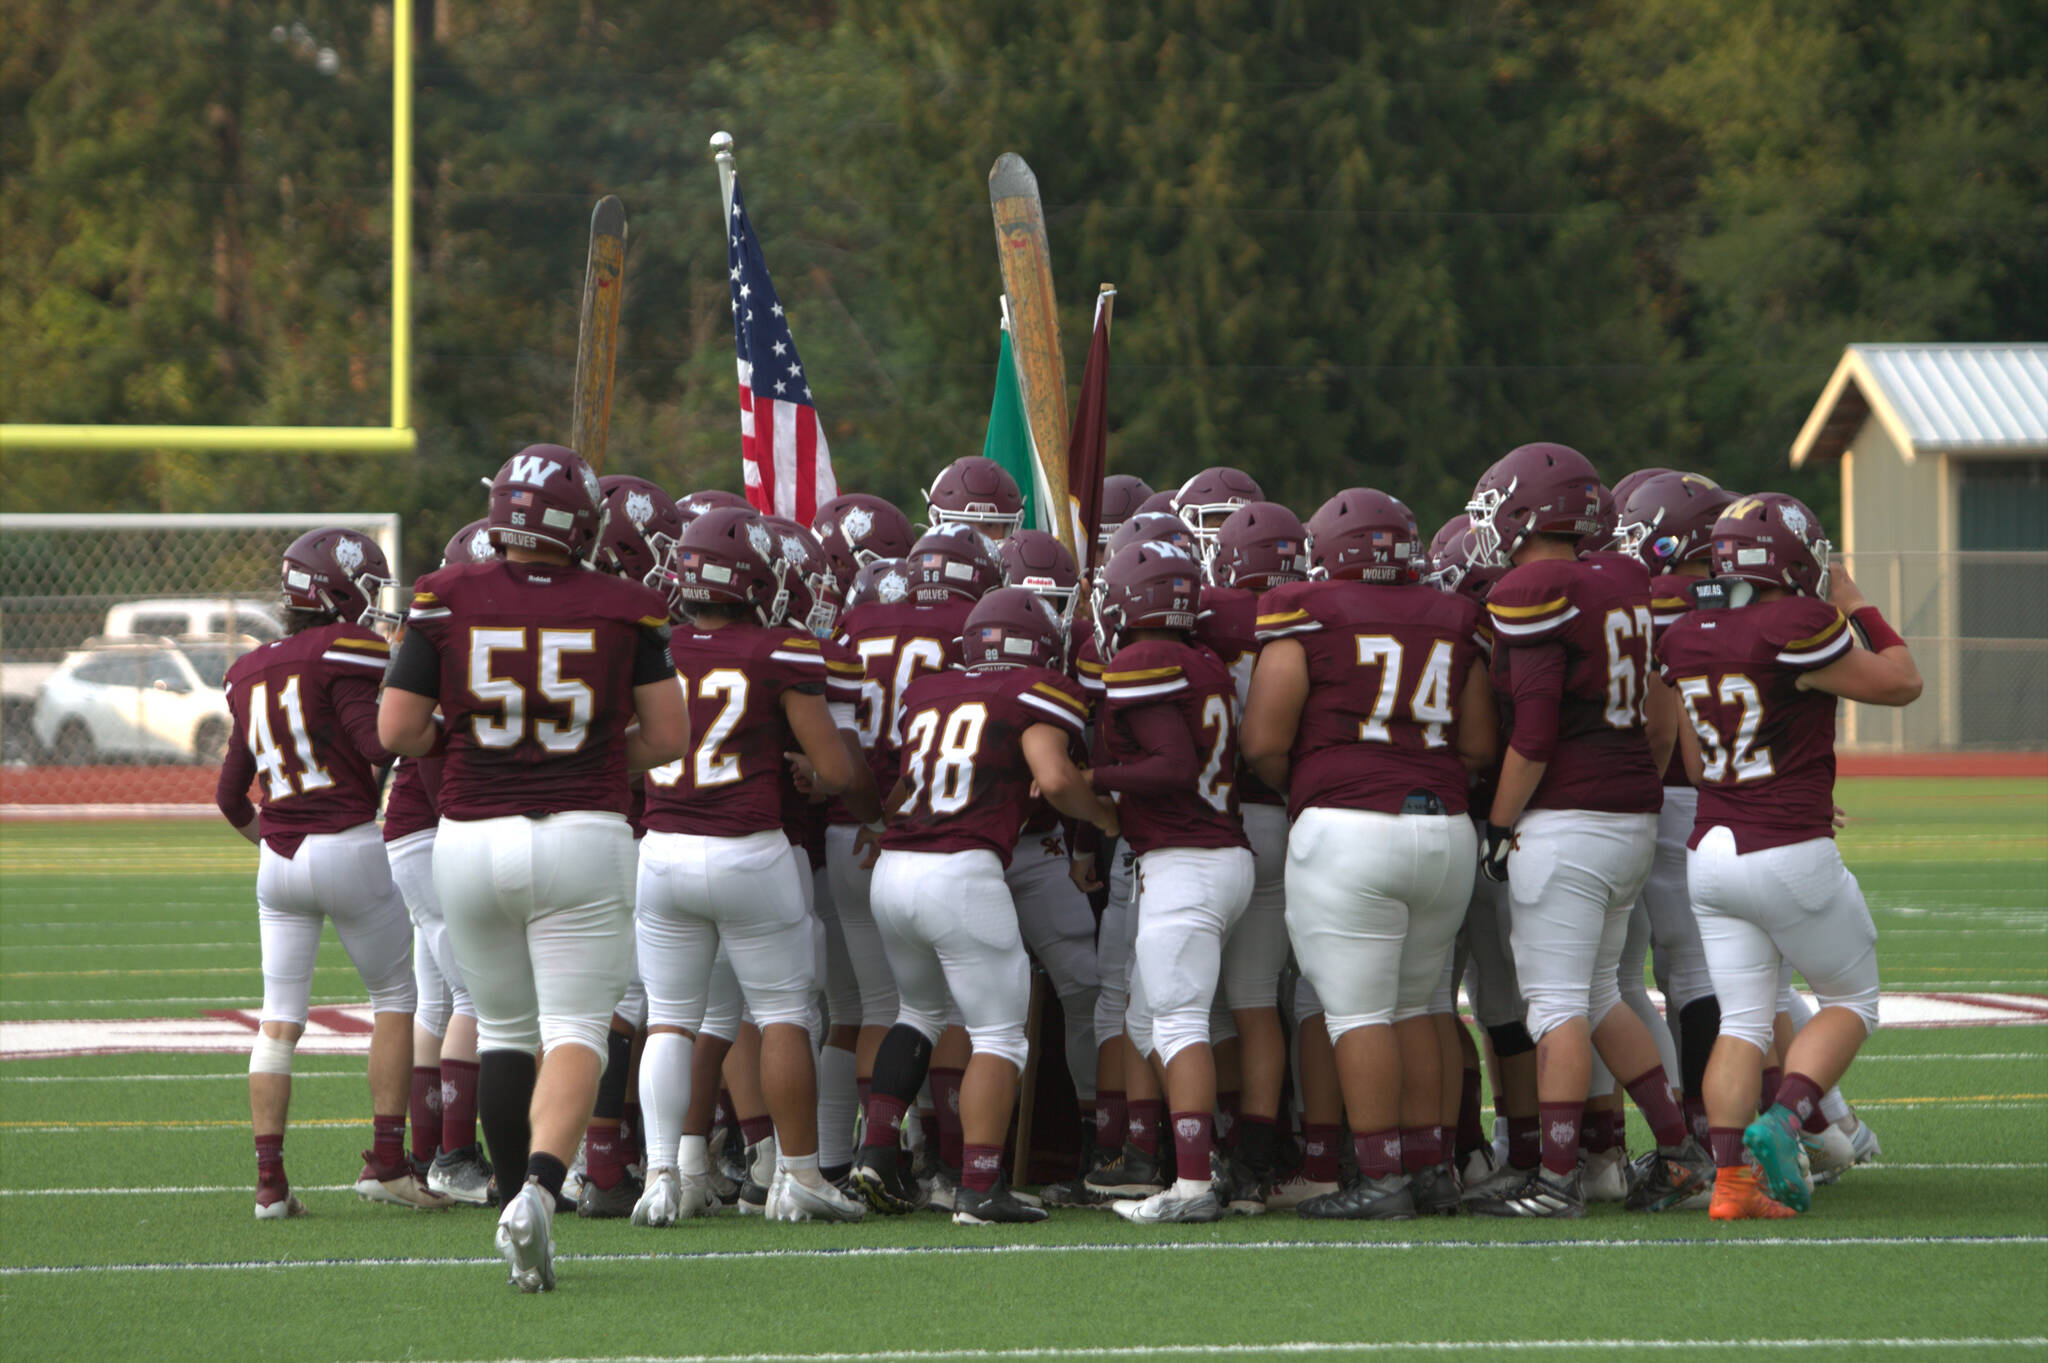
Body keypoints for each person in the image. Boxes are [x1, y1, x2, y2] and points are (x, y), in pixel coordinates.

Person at [378, 444, 689, 1292]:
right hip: (583, 833)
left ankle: (512, 1189)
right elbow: (667, 738)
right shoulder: (630, 606)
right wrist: (587, 760)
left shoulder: (444, 597)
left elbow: (399, 730)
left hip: (469, 836)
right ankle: (541, 1195)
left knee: (505, 1028)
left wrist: (473, 743)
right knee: (579, 1031)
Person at [1459, 442, 1713, 1220]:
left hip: (1568, 815)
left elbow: (1533, 734)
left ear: (1529, 510)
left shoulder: (1535, 586)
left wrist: (1499, 826)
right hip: (1630, 808)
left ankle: (1558, 1177)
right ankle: (1679, 1149)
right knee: (1601, 991)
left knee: (1556, 1003)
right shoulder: (1624, 577)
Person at [1656, 493, 1920, 1218]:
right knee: (1851, 998)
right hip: (1785, 846)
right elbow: (1902, 680)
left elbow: (1698, 762)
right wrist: (1860, 605)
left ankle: (1732, 1183)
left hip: (1710, 850)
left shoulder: (1687, 633)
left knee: (1742, 1018)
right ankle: (1787, 1115)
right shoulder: (1800, 621)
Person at [1243, 489, 1496, 1219]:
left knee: (1357, 1013)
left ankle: (1380, 1173)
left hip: (1349, 829)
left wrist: (1318, 786)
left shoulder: (1304, 611)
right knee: (1422, 1004)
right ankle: (1430, 1169)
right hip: (1444, 827)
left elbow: (1262, 739)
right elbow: (1480, 743)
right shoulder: (1454, 619)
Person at [626, 506, 870, 1227]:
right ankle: (800, 1178)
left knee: (671, 1019)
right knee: (783, 1015)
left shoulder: (654, 644)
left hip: (662, 848)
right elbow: (831, 766)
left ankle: (664, 1174)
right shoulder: (781, 649)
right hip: (749, 848)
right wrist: (814, 772)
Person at [852, 587, 1120, 1224]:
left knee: (916, 1012)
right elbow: (1054, 778)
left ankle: (879, 1151)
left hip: (896, 866)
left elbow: (903, 789)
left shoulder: (930, 690)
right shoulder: (1033, 691)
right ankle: (978, 1185)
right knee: (999, 1034)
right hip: (961, 870)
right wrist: (1102, 814)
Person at [217, 528, 443, 1219]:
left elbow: (231, 797)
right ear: (338, 589)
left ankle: (269, 1185)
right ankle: (386, 1161)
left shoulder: (250, 667)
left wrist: (276, 839)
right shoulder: (349, 650)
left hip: (277, 861)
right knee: (396, 997)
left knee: (278, 1019)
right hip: (345, 841)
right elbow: (379, 740)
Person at [1088, 540, 1254, 1224]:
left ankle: (1191, 1185)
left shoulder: (1143, 660)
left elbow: (1171, 765)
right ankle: (1207, 1156)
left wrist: (1094, 779)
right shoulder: (1202, 660)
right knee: (1143, 1017)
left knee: (1179, 1019)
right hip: (1215, 853)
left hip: (1186, 859)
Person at [386, 520, 500, 1210]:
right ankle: (455, 1154)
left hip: (414, 835)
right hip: (431, 834)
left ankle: (430, 1147)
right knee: (474, 995)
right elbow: (432, 768)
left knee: (438, 995)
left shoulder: (440, 641)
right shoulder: (450, 646)